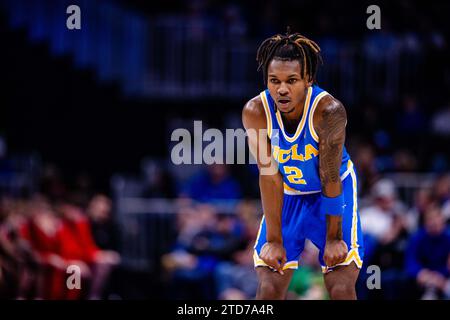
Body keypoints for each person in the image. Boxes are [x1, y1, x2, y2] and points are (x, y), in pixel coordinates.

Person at [242, 31, 364, 300]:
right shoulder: (255, 111)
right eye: (274, 81)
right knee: (269, 289)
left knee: (341, 287)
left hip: (331, 191)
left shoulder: (329, 111)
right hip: (287, 195)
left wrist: (333, 237)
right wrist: (273, 240)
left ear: (308, 80)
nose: (282, 89)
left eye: (291, 81)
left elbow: (330, 176)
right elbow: (269, 176)